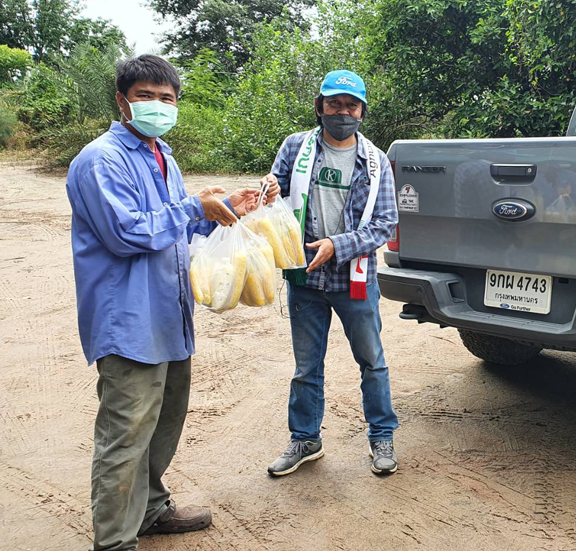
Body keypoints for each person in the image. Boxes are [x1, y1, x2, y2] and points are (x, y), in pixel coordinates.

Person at [66, 55, 260, 550]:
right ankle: (114, 541)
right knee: (125, 432)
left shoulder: (163, 157)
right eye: (145, 96)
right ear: (122, 101)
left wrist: (222, 212)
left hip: (169, 316)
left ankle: (150, 509)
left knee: (164, 422)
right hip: (127, 319)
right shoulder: (101, 159)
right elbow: (126, 232)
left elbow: (176, 230)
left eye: (167, 98)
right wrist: (194, 206)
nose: (157, 105)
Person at [261, 70, 400, 477]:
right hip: (304, 276)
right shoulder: (296, 147)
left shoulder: (375, 163)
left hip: (352, 278)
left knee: (372, 361)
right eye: (334, 104)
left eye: (351, 105)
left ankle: (381, 436)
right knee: (307, 366)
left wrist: (337, 245)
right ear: (320, 107)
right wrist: (269, 187)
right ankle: (305, 439)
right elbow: (276, 193)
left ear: (362, 111)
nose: (343, 112)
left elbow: (384, 224)